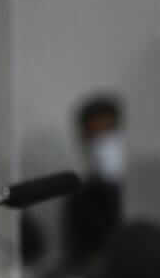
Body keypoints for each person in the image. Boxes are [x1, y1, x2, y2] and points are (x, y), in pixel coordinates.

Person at [59, 93, 125, 272]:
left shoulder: (145, 187)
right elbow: (77, 259)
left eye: (109, 132)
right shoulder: (79, 199)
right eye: (95, 136)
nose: (103, 144)